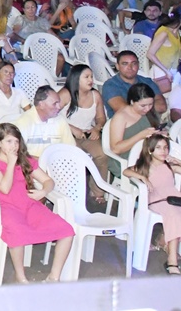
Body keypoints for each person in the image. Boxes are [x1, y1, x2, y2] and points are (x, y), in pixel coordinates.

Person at [0, 123, 74, 283]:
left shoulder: (24, 160)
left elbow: (48, 180)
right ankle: (20, 276)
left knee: (66, 230)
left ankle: (54, 276)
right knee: (18, 232)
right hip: (5, 206)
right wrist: (10, 164)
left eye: (16, 142)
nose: (14, 146)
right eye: (9, 142)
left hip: (28, 204)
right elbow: (4, 188)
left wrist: (43, 192)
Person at [123, 134, 181, 275]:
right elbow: (126, 171)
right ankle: (172, 260)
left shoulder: (169, 166)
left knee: (175, 211)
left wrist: (178, 161)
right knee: (174, 214)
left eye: (166, 148)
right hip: (158, 200)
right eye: (159, 148)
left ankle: (163, 239)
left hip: (174, 198)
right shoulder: (145, 166)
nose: (163, 151)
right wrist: (142, 177)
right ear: (150, 150)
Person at [58, 64, 109, 202]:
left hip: (86, 134)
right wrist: (72, 128)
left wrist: (97, 128)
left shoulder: (95, 95)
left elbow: (101, 118)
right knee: (78, 156)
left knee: (102, 155)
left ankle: (97, 191)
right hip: (65, 134)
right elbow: (50, 115)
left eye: (91, 77)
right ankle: (73, 193)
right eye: (86, 77)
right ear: (76, 79)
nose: (90, 80)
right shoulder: (65, 94)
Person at [107, 83, 164, 179]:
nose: (147, 108)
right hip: (128, 160)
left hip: (149, 155)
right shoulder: (121, 117)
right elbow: (115, 149)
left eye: (150, 104)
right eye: (143, 106)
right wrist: (141, 135)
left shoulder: (150, 112)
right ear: (132, 102)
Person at [101, 50, 167, 119]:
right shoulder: (110, 85)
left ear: (138, 65)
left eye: (134, 63)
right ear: (117, 66)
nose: (130, 67)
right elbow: (124, 111)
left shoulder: (147, 81)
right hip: (124, 126)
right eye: (125, 64)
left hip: (150, 124)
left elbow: (162, 106)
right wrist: (148, 108)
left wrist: (136, 109)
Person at [12, 86, 75, 157]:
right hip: (31, 165)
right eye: (55, 104)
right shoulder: (23, 122)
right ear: (41, 105)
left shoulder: (60, 120)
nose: (59, 107)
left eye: (58, 103)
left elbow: (71, 148)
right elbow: (17, 154)